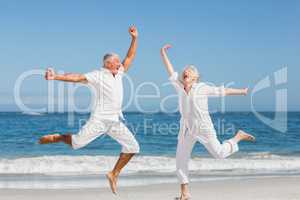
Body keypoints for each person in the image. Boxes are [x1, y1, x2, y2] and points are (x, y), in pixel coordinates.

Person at [39, 26, 140, 194]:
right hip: (99, 120)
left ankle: (113, 174)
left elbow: (130, 56)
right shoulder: (97, 75)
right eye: (115, 62)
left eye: (118, 62)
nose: (119, 64)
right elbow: (77, 77)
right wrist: (55, 76)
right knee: (77, 144)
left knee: (133, 147)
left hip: (114, 121)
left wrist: (134, 38)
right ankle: (59, 137)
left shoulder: (120, 72)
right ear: (107, 64)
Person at [160, 44, 256, 200]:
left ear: (196, 77)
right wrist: (163, 53)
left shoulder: (202, 88)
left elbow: (223, 91)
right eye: (185, 71)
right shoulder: (178, 86)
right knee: (180, 159)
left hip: (204, 128)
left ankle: (238, 136)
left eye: (190, 71)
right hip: (186, 129)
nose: (186, 72)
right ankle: (185, 194)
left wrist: (242, 91)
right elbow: (170, 70)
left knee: (219, 154)